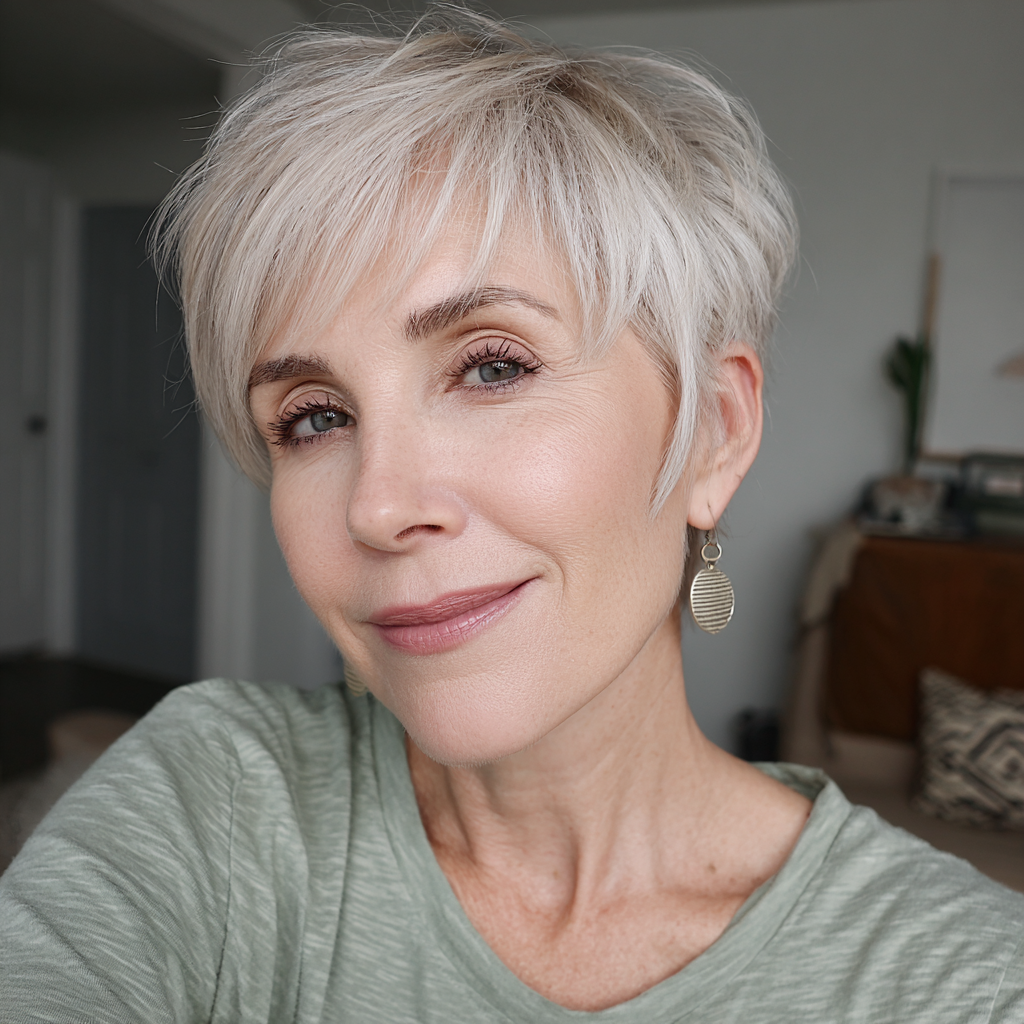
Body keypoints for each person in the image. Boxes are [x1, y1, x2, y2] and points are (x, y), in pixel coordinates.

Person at [2, 11, 1021, 1021]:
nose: (378, 505)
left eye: (491, 367)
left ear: (713, 431)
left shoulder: (964, 983)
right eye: (315, 417)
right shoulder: (210, 796)